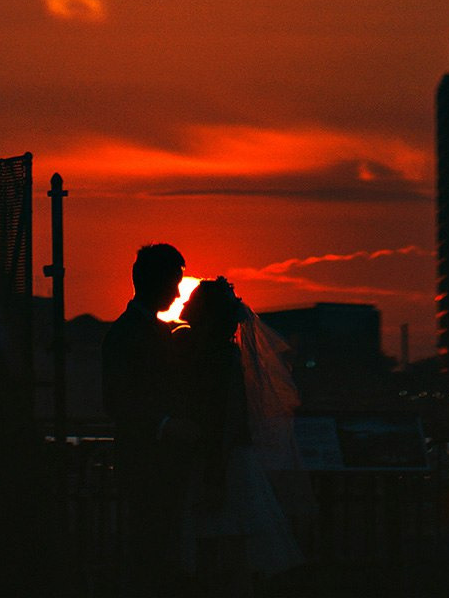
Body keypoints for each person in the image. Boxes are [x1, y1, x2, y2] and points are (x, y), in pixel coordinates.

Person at [176, 278, 305, 595]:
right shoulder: (217, 354)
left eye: (192, 299)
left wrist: (214, 473)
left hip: (222, 460)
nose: (185, 304)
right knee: (227, 545)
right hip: (226, 457)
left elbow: (226, 418)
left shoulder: (219, 359)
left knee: (222, 545)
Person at [101, 243, 200, 596]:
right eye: (175, 282)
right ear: (158, 282)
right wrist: (165, 425)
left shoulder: (146, 331)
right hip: (145, 462)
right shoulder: (126, 333)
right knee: (149, 548)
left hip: (162, 463)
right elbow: (116, 400)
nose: (177, 292)